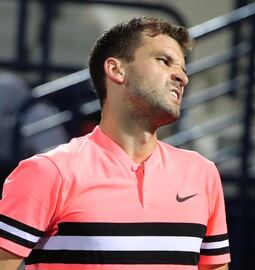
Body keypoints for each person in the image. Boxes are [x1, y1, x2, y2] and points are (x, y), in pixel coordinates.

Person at [0, 17, 230, 270]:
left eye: (183, 70)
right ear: (116, 70)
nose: (182, 78)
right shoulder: (49, 172)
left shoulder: (202, 173)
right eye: (164, 61)